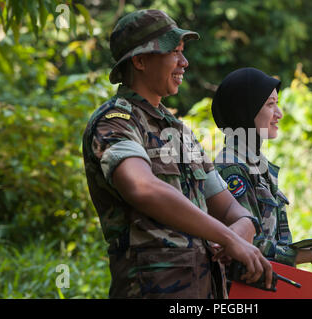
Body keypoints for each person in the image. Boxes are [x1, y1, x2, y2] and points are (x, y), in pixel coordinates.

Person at [82, 11, 272, 299]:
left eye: (183, 53)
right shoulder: (115, 120)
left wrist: (241, 230)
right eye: (174, 52)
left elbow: (232, 208)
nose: (184, 62)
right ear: (140, 60)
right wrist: (226, 236)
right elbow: (143, 188)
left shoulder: (180, 132)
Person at [211, 67, 312, 269]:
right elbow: (249, 245)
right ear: (245, 111)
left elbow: (273, 243)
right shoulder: (232, 169)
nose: (279, 113)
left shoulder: (258, 166)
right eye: (270, 105)